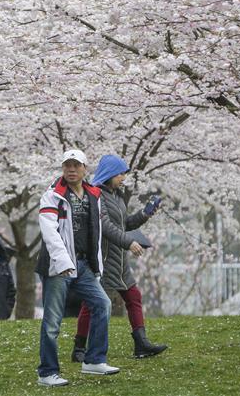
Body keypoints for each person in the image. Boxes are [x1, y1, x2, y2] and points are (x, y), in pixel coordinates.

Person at [72, 154, 167, 362]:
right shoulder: (96, 195)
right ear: (110, 174)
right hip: (104, 260)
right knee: (92, 304)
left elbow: (124, 225)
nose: (124, 177)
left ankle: (141, 343)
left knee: (134, 297)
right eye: (120, 173)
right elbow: (105, 226)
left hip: (119, 260)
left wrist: (145, 214)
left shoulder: (116, 196)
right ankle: (79, 348)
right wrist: (128, 243)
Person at [36, 150, 118, 387]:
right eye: (67, 165)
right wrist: (63, 263)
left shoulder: (94, 194)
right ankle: (47, 372)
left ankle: (94, 360)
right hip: (57, 266)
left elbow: (97, 232)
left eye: (76, 165)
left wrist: (96, 265)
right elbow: (50, 233)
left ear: (85, 169)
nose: (71, 169)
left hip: (83, 264)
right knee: (52, 321)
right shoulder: (52, 196)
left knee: (102, 304)